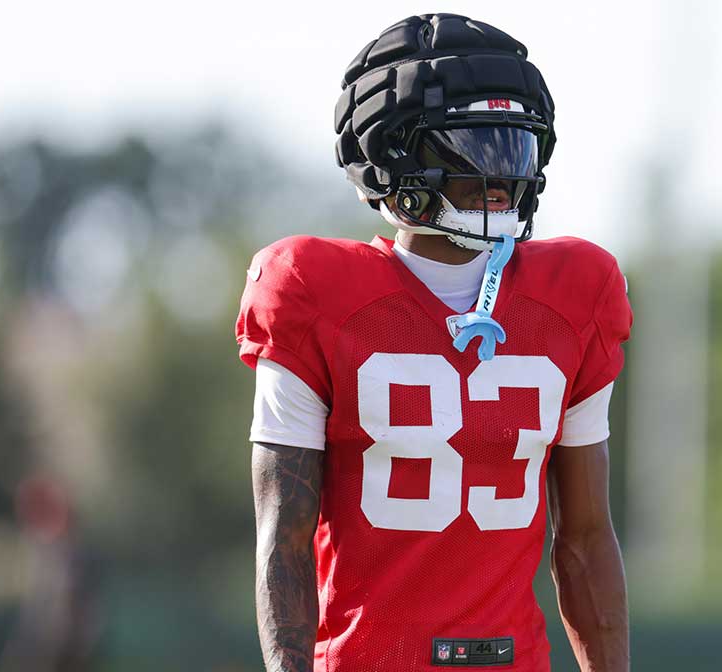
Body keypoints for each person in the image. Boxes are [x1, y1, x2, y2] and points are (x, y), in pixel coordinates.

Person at [236, 14, 632, 672]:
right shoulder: (310, 291)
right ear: (395, 156)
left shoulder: (575, 295)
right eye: (477, 149)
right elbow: (285, 538)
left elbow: (587, 539)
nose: (503, 176)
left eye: (516, 147)